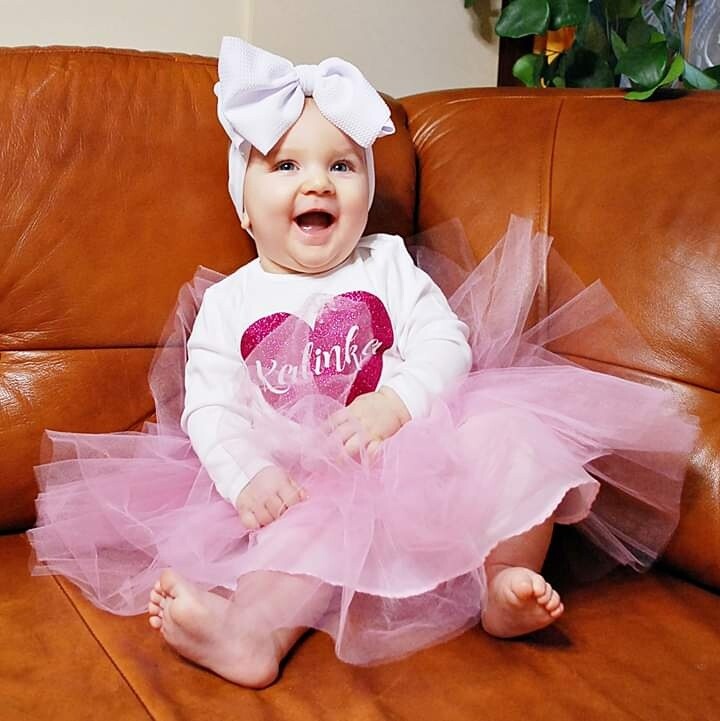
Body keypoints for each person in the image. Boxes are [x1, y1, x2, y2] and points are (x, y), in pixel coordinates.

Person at [29, 37, 698, 688]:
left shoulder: (388, 265)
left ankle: (501, 578)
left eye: (342, 166)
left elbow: (446, 342)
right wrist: (249, 476)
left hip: (422, 463)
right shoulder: (228, 303)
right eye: (285, 166)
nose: (317, 181)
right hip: (308, 482)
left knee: (516, 438)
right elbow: (210, 407)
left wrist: (397, 401)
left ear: (365, 191)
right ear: (245, 207)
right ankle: (252, 633)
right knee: (302, 530)